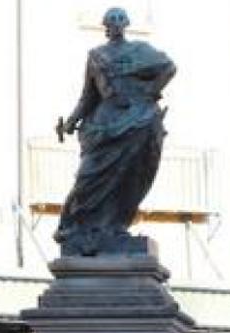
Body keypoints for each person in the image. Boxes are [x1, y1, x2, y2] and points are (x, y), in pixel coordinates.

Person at [54, 7, 177, 256]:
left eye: (120, 22)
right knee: (89, 178)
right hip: (106, 126)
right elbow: (88, 97)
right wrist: (70, 122)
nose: (116, 26)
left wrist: (149, 92)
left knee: (128, 178)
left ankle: (114, 227)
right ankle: (77, 227)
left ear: (126, 25)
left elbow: (169, 67)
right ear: (106, 27)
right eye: (112, 23)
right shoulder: (96, 56)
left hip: (137, 122)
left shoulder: (141, 50)